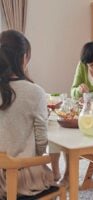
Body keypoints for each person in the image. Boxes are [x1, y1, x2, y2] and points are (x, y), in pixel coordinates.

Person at [0, 30, 55, 198]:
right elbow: (41, 144)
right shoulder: (35, 92)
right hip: (21, 180)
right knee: (64, 178)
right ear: (23, 58)